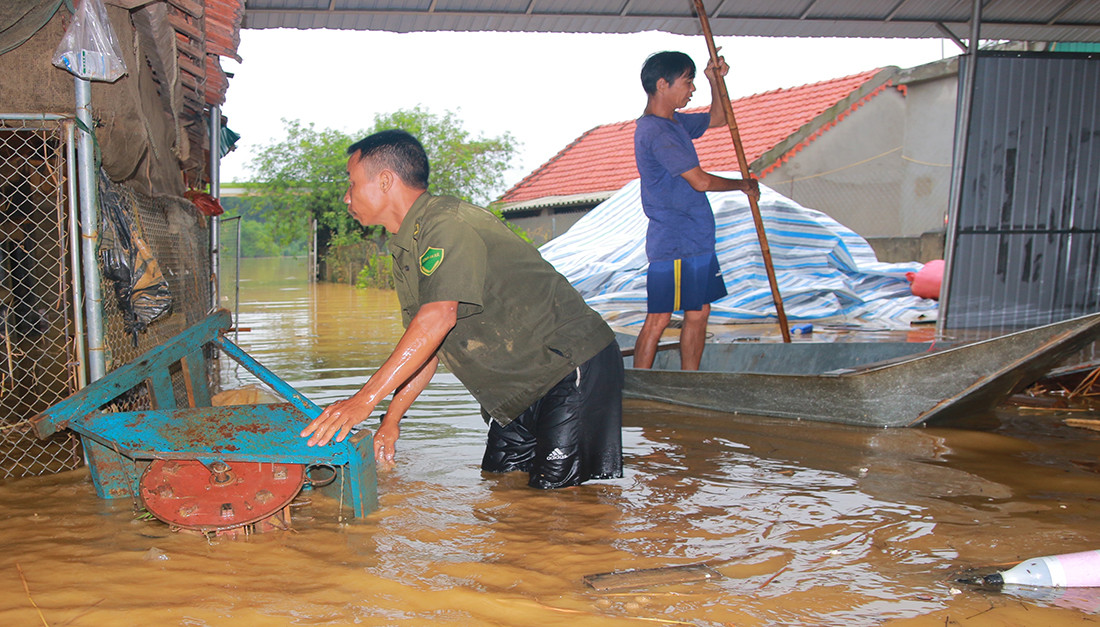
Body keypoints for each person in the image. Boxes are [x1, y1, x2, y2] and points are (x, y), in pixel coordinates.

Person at [300, 129, 624, 489]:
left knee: (557, 508)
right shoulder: (407, 249)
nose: (346, 197)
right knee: (501, 488)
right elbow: (427, 345)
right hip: (515, 389)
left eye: (351, 183)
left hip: (567, 366)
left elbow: (438, 317)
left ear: (386, 180)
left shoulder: (445, 223)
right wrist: (390, 420)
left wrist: (364, 399)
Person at [632, 50, 760, 371]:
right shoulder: (654, 131)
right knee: (660, 317)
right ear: (663, 84)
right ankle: (638, 390)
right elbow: (700, 182)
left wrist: (715, 80)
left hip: (696, 238)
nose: (692, 90)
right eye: (688, 82)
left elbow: (719, 118)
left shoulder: (675, 123)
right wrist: (742, 185)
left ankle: (690, 383)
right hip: (674, 241)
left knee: (699, 312)